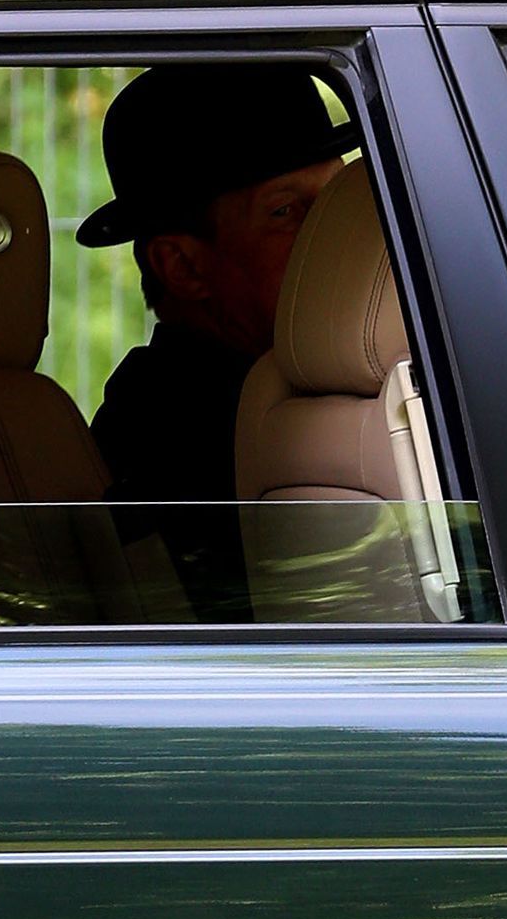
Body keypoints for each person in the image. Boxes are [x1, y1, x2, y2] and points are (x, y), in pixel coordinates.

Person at [79, 64, 357, 617]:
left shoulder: (319, 385)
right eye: (285, 211)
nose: (332, 231)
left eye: (336, 198)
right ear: (182, 266)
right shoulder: (179, 435)